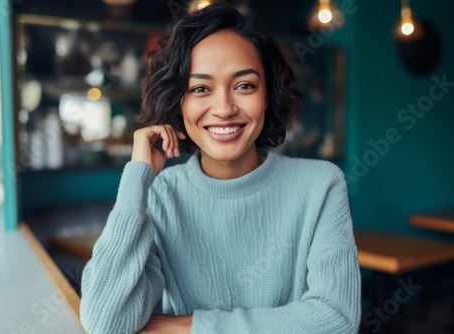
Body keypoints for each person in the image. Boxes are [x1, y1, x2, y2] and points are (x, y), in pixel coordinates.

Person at [80, 3, 361, 334]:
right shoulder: (160, 195)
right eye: (200, 88)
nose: (225, 108)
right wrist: (136, 181)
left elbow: (337, 319)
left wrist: (185, 327)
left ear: (268, 95)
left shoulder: (321, 184)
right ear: (178, 101)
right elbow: (104, 321)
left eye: (244, 85)